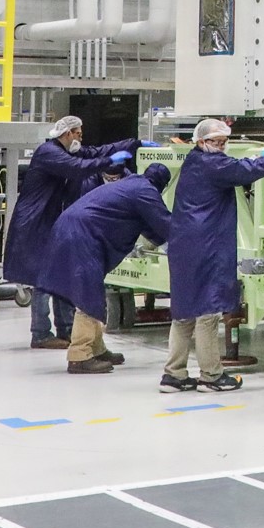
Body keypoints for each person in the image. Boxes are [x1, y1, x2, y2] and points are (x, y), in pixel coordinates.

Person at [162, 119, 264, 394]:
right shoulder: (213, 166)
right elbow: (247, 170)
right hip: (205, 247)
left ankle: (173, 375)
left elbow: (239, 167)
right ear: (200, 142)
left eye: (224, 143)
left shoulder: (195, 161)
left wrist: (261, 157)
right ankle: (211, 376)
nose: (221, 147)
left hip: (185, 245)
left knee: (184, 312)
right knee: (207, 312)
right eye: (216, 142)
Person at [4, 116, 144, 349]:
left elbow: (96, 151)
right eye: (78, 133)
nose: (80, 137)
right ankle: (40, 333)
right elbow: (78, 168)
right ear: (67, 133)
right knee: (42, 278)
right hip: (35, 221)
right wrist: (109, 160)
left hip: (50, 219)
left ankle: (66, 329)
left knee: (59, 272)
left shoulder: (67, 151)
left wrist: (134, 143)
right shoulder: (49, 152)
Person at [40, 160, 174, 374]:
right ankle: (80, 355)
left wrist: (167, 244)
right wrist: (188, 244)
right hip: (82, 235)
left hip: (74, 230)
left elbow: (148, 225)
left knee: (93, 291)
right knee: (88, 294)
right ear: (163, 185)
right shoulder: (145, 191)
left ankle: (96, 348)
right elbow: (164, 222)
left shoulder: (132, 185)